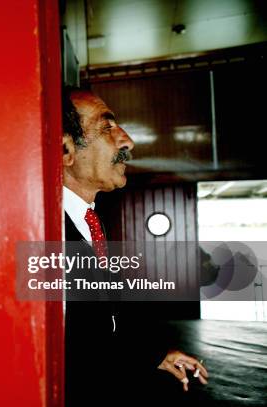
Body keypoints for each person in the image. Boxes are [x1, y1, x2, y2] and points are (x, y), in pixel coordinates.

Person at [61, 87, 209, 406]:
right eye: (107, 126)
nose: (127, 140)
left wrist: (156, 355)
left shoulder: (90, 222)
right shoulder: (45, 232)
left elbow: (98, 326)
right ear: (65, 150)